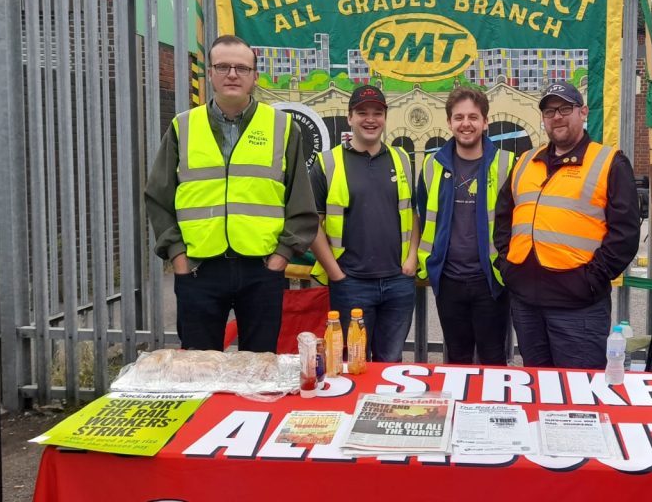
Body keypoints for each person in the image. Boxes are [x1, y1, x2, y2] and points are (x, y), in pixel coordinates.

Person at [145, 35, 317, 352]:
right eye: (223, 66)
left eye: (241, 67)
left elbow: (301, 202)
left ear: (254, 76)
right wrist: (178, 256)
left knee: (260, 369)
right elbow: (158, 196)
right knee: (199, 367)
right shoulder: (183, 127)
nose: (232, 74)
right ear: (209, 73)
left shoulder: (282, 127)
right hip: (199, 269)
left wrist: (281, 257)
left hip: (261, 270)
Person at [493, 82, 640, 369]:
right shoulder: (525, 162)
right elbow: (503, 220)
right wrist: (507, 266)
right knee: (537, 387)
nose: (556, 116)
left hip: (578, 308)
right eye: (549, 111)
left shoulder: (609, 162)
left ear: (583, 112)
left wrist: (591, 280)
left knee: (579, 397)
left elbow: (625, 234)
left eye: (564, 108)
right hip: (526, 304)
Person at [309, 84, 420, 363]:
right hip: (351, 283)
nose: (370, 119)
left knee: (390, 363)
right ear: (350, 118)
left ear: (385, 117)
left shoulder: (402, 159)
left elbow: (413, 213)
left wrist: (411, 259)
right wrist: (336, 274)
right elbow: (312, 225)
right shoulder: (327, 163)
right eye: (362, 112)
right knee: (351, 364)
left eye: (377, 113)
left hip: (398, 282)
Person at [416, 87, 515, 365]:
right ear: (449, 122)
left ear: (485, 122)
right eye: (458, 117)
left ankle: (494, 408)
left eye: (473, 116)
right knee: (457, 360)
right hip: (449, 281)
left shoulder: (507, 163)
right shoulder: (432, 165)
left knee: (493, 359)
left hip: (491, 281)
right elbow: (423, 215)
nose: (466, 124)